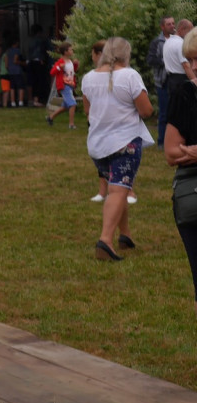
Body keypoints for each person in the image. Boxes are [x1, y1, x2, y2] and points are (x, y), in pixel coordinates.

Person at [80, 37, 154, 261]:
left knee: (117, 189)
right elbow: (146, 111)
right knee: (118, 191)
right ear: (125, 54)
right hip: (125, 142)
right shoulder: (130, 75)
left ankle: (125, 235)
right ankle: (106, 240)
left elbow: (87, 111)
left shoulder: (88, 78)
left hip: (97, 144)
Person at [165, 28, 197, 315]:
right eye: (190, 59)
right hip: (193, 200)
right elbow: (172, 152)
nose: (194, 65)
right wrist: (186, 153)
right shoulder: (185, 94)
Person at [86, 41, 138, 205]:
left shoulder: (125, 75)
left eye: (96, 54)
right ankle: (104, 191)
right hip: (100, 128)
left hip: (119, 130)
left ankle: (129, 191)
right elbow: (88, 109)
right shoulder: (90, 77)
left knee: (121, 162)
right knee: (104, 160)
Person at [148, 15, 174, 147]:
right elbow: (151, 60)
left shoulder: (177, 40)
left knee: (175, 112)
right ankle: (161, 141)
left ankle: (174, 141)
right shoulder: (157, 42)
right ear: (162, 27)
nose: (172, 26)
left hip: (175, 81)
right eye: (168, 24)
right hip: (162, 82)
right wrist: (166, 61)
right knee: (164, 113)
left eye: (173, 23)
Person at [47, 42, 79, 129]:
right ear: (65, 52)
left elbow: (72, 71)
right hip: (64, 86)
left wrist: (75, 64)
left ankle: (50, 117)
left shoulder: (70, 61)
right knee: (72, 104)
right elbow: (52, 72)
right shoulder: (60, 62)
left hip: (70, 85)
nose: (72, 51)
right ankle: (71, 124)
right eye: (70, 49)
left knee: (65, 106)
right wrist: (59, 67)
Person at [164, 19, 193, 97]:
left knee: (174, 107)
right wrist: (194, 81)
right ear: (182, 29)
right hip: (182, 82)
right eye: (189, 31)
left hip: (171, 81)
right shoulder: (181, 44)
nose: (190, 35)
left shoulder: (168, 41)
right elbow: (186, 66)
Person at [28, 24, 51, 106]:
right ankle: (37, 99)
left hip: (31, 62)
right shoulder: (40, 40)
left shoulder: (31, 40)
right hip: (38, 61)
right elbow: (40, 50)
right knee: (40, 80)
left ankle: (32, 99)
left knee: (33, 81)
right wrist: (41, 59)